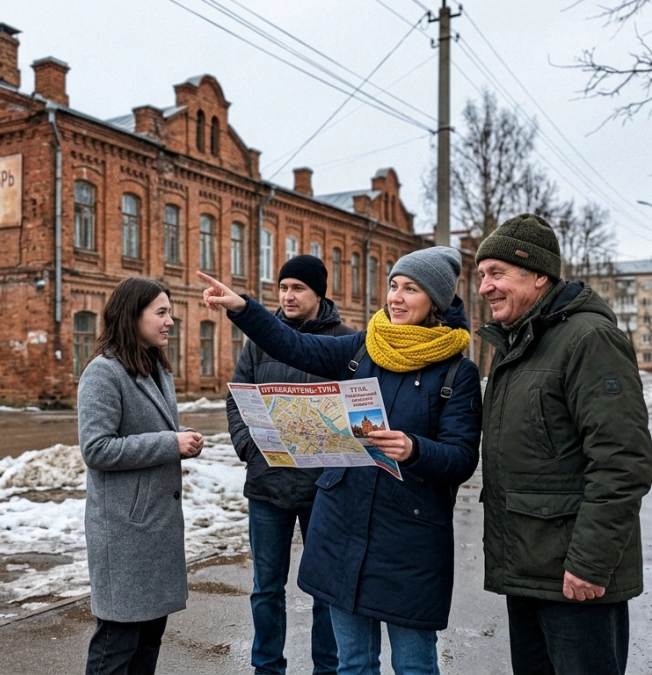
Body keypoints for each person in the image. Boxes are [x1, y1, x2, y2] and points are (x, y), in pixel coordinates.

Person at [201, 247, 482, 675]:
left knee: (413, 665)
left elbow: (462, 458)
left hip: (409, 535)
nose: (396, 297)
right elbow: (291, 344)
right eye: (393, 286)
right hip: (343, 525)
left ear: (437, 302)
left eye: (411, 289)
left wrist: (414, 449)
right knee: (352, 664)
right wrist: (243, 308)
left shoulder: (456, 373)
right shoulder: (362, 349)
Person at [474, 213, 652, 675]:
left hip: (576, 577)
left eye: (496, 274)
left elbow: (622, 462)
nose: (484, 288)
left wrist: (591, 564)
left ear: (539, 275)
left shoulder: (589, 339)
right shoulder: (520, 343)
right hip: (530, 572)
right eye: (481, 276)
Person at [227, 255, 350, 675]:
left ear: (318, 293)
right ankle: (266, 668)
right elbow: (237, 396)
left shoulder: (344, 340)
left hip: (325, 488)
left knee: (326, 591)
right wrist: (249, 446)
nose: (287, 296)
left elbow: (357, 408)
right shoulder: (259, 340)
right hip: (268, 484)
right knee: (265, 588)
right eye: (282, 287)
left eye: (297, 288)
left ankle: (327, 669)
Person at [77, 277, 204, 675]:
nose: (170, 322)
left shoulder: (155, 368)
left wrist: (180, 442)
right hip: (125, 532)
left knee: (148, 642)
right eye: (161, 313)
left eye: (170, 313)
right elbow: (96, 449)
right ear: (132, 317)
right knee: (117, 646)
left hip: (155, 529)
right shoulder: (103, 373)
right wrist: (171, 443)